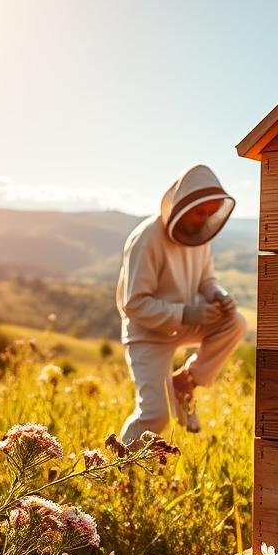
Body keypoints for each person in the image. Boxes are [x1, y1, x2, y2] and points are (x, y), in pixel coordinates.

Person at [116, 164, 247, 446]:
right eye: (201, 212)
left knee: (235, 321)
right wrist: (188, 313)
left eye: (211, 213)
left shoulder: (200, 235)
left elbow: (206, 279)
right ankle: (117, 474)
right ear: (182, 205)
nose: (205, 219)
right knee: (155, 414)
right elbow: (134, 304)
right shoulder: (146, 239)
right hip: (147, 333)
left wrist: (218, 295)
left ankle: (185, 382)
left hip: (185, 322)